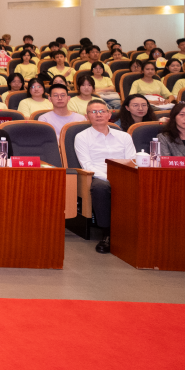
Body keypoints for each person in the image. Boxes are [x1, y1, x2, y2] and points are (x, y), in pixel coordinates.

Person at [74, 100, 137, 255]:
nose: (99, 115)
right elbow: (87, 165)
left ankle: (136, 230)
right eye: (93, 112)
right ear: (87, 116)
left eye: (102, 111)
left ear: (109, 115)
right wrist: (111, 178)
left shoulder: (124, 136)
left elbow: (132, 160)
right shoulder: (82, 137)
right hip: (98, 176)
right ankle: (107, 233)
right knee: (100, 188)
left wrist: (122, 177)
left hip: (125, 174)